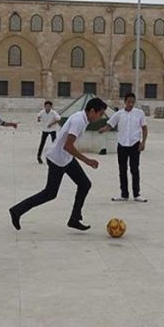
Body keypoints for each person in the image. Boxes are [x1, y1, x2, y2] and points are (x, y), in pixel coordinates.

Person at [9, 97, 108, 231]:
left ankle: (74, 218)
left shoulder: (83, 118)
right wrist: (87, 161)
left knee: (84, 184)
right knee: (49, 193)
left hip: (66, 158)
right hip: (57, 159)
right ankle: (17, 210)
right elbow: (68, 146)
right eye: (100, 113)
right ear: (91, 111)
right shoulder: (79, 120)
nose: (100, 117)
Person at [99, 92, 148, 202]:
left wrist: (143, 142)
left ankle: (137, 194)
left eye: (132, 102)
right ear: (125, 101)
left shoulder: (139, 113)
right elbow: (110, 124)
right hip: (122, 144)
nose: (131, 104)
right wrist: (103, 130)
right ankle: (124, 194)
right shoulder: (119, 114)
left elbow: (144, 128)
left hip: (135, 144)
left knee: (134, 169)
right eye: (129, 102)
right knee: (122, 170)